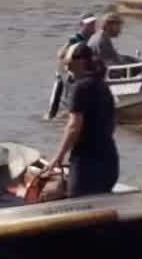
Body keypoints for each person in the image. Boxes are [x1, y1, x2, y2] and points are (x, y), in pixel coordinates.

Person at [49, 45, 119, 198]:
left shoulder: (79, 87)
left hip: (87, 163)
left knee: (78, 205)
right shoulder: (103, 86)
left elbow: (73, 126)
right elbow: (113, 123)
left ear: (81, 61)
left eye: (69, 61)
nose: (66, 65)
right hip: (109, 160)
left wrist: (59, 157)